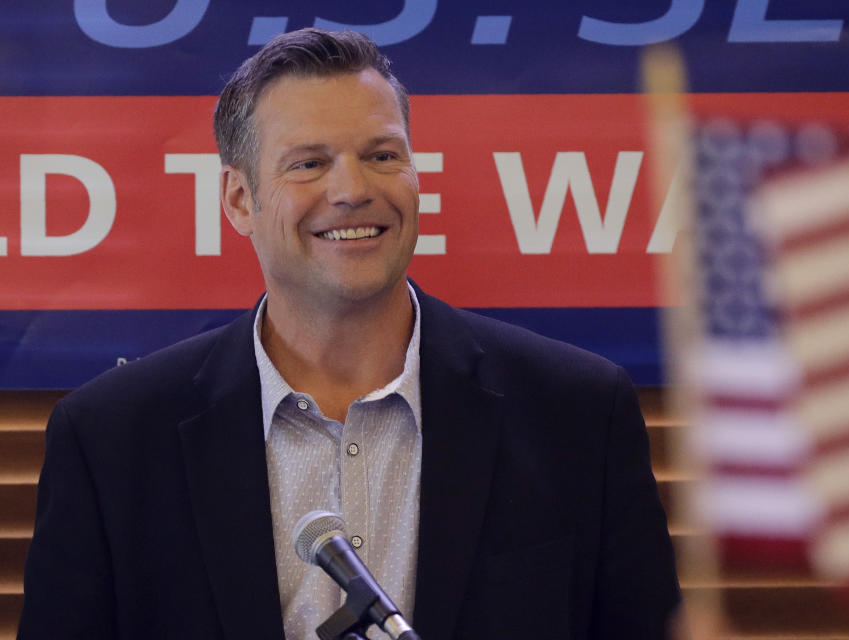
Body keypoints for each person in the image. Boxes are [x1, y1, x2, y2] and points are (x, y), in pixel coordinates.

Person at [18, 29, 680, 640]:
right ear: (239, 200)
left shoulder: (579, 416)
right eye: (308, 163)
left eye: (382, 155)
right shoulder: (110, 442)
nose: (352, 190)